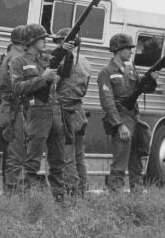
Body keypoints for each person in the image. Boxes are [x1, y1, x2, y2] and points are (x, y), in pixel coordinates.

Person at [10, 24, 78, 200]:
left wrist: (68, 53)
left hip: (55, 110)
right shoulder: (18, 62)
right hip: (37, 111)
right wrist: (43, 79)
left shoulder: (47, 58)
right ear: (31, 41)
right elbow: (17, 88)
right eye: (41, 38)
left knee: (58, 161)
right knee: (32, 161)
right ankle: (22, 201)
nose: (45, 40)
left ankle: (60, 200)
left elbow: (66, 71)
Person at [98, 33, 154, 192]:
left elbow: (143, 89)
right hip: (121, 118)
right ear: (117, 49)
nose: (131, 51)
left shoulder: (131, 70)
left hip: (134, 118)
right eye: (128, 48)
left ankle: (137, 193)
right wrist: (119, 125)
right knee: (120, 161)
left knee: (136, 161)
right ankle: (115, 196)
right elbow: (107, 102)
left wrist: (151, 80)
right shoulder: (106, 72)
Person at [53, 31, 92, 194]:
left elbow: (53, 83)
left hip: (65, 111)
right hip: (79, 110)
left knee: (66, 156)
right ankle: (83, 190)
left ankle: (72, 191)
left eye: (58, 42)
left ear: (65, 42)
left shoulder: (63, 60)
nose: (56, 45)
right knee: (79, 156)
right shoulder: (85, 62)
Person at [0, 25, 26, 194]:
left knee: (15, 152)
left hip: (12, 107)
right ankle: (11, 194)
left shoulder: (12, 56)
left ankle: (12, 192)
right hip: (14, 107)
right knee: (16, 153)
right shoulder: (16, 59)